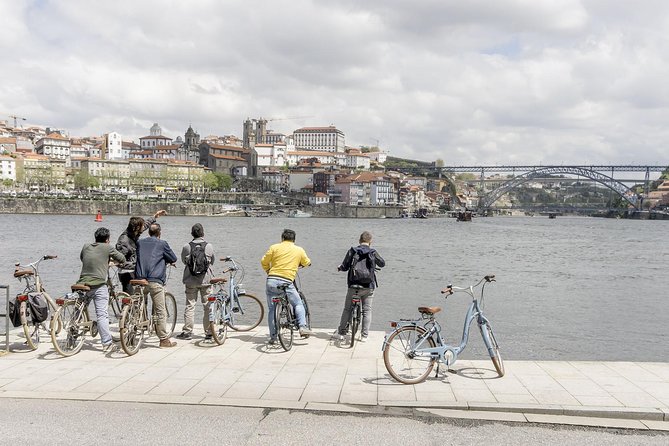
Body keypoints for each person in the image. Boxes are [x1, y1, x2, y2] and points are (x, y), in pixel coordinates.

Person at [77, 227, 127, 351]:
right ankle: (107, 343)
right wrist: (111, 261)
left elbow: (83, 258)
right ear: (107, 239)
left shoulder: (86, 246)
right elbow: (122, 259)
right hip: (98, 284)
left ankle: (71, 338)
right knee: (102, 315)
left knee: (78, 311)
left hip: (82, 283)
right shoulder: (107, 247)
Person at [260, 228, 312, 344]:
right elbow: (307, 262)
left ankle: (273, 337)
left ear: (282, 238)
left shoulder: (274, 247)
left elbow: (263, 261)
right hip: (287, 281)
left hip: (272, 280)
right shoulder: (299, 250)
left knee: (272, 309)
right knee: (297, 303)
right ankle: (302, 327)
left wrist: (268, 270)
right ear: (294, 239)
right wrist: (302, 264)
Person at [335, 231, 385, 342]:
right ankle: (364, 336)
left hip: (353, 285)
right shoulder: (373, 252)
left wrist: (340, 268)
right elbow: (382, 263)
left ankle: (341, 333)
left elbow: (345, 265)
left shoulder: (353, 250)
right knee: (367, 311)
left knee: (347, 309)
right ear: (370, 241)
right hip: (368, 286)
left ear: (359, 240)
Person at [135, 222, 178, 348]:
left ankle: (134, 331)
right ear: (159, 233)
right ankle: (164, 340)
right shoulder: (162, 243)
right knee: (160, 311)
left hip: (139, 280)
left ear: (149, 233)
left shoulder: (140, 243)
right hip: (155, 281)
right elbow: (173, 258)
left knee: (137, 306)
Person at [176, 223, 215, 341]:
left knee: (190, 305)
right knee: (208, 306)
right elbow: (212, 261)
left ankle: (187, 332)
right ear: (203, 233)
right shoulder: (209, 246)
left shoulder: (186, 246)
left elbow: (184, 260)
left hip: (190, 280)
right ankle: (208, 332)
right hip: (206, 280)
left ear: (192, 233)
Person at [116, 210, 166, 293]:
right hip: (126, 273)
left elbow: (146, 224)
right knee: (129, 299)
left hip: (135, 271)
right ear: (137, 228)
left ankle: (141, 304)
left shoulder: (134, 232)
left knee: (139, 296)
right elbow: (120, 261)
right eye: (142, 226)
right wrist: (136, 265)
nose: (144, 228)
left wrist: (155, 216)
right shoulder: (124, 241)